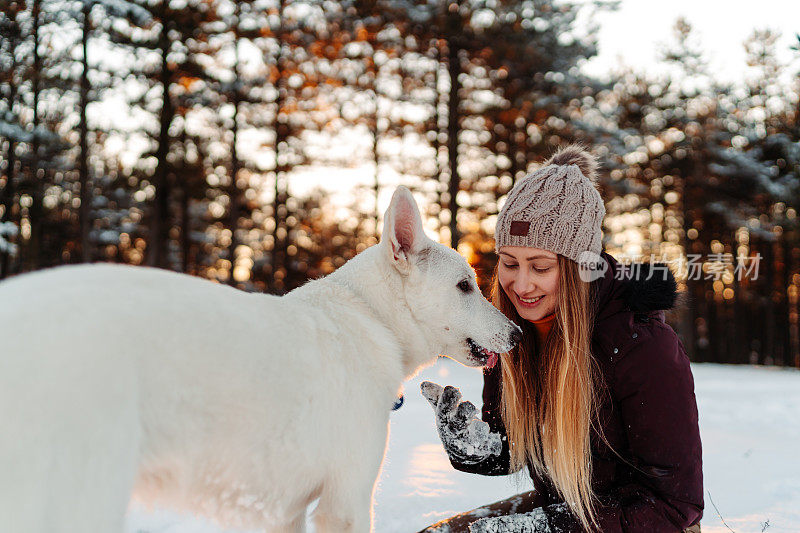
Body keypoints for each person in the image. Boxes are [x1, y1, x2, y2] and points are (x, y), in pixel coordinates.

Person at [419, 145, 703, 533]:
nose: (521, 284)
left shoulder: (642, 345)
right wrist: (474, 447)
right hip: (564, 510)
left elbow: (675, 505)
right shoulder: (512, 331)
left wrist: (543, 529)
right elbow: (515, 447)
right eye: (509, 263)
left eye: (540, 267)